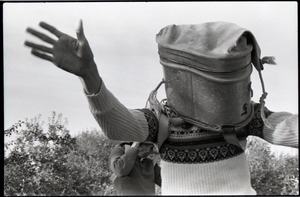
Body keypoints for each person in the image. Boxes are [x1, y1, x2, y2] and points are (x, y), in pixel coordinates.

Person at [24, 20, 298, 195]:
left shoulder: (243, 114)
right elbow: (117, 126)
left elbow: (290, 130)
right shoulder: (162, 119)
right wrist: (89, 75)